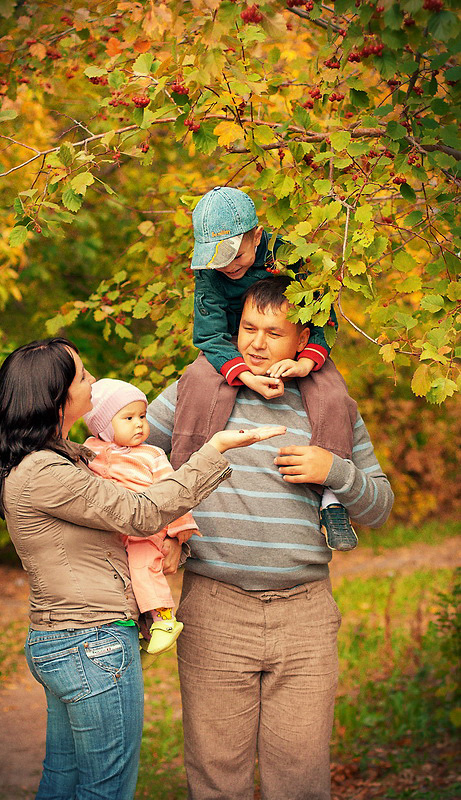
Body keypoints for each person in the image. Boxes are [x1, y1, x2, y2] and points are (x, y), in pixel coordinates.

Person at [0, 336, 285, 800]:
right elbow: (140, 512)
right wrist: (215, 451)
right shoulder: (46, 471)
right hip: (91, 642)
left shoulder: (48, 462)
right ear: (56, 397)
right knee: (106, 789)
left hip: (66, 638)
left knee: (64, 780)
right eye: (82, 376)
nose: (92, 380)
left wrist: (173, 542)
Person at [146, 277, 394, 800]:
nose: (256, 344)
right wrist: (163, 529)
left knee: (300, 781)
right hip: (215, 608)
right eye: (248, 328)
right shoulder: (197, 389)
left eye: (273, 333)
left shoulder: (331, 405)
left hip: (305, 616)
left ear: (304, 339)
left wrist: (335, 470)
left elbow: (380, 507)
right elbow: (134, 456)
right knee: (216, 779)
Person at [189, 185, 357, 551]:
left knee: (331, 393)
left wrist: (305, 362)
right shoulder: (210, 273)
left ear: (257, 236)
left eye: (236, 254)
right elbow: (209, 334)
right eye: (217, 259)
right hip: (231, 348)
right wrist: (246, 375)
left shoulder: (290, 255)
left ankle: (331, 499)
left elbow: (322, 314)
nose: (227, 266)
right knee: (196, 380)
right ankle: (184, 478)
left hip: (297, 345)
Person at [83, 378, 200, 659]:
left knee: (142, 565)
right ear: (103, 425)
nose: (139, 424)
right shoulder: (87, 451)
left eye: (143, 417)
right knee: (122, 581)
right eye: (129, 418)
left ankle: (164, 619)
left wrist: (179, 529)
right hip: (110, 532)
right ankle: (143, 635)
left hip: (145, 530)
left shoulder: (152, 455)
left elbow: (173, 492)